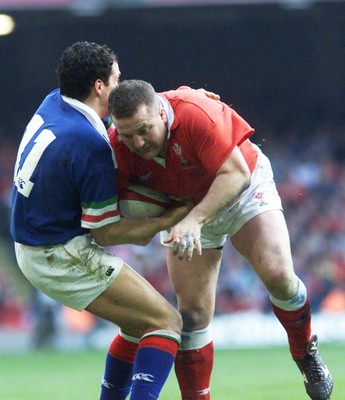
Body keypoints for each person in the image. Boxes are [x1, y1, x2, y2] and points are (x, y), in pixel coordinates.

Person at [107, 79, 334, 400]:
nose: (138, 142)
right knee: (192, 318)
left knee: (279, 276)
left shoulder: (197, 113)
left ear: (161, 110)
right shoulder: (117, 145)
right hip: (187, 206)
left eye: (144, 129)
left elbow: (237, 174)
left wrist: (194, 221)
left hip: (241, 187)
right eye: (127, 134)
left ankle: (304, 351)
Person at [10, 42, 195, 400]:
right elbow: (107, 233)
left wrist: (185, 98)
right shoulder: (90, 146)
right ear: (99, 86)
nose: (121, 85)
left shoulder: (55, 101)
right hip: (58, 254)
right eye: (116, 78)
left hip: (35, 241)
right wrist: (167, 219)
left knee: (136, 322)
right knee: (166, 323)